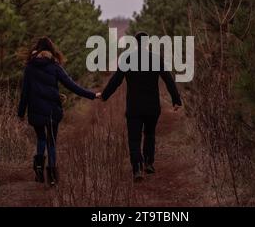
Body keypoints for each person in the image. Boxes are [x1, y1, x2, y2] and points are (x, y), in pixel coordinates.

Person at [18, 36, 101, 186]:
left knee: (41, 139)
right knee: (52, 142)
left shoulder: (30, 67)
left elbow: (25, 92)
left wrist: (20, 113)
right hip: (52, 111)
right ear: (51, 50)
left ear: (37, 49)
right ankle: (52, 177)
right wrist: (92, 95)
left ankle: (38, 169)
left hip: (35, 110)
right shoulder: (54, 66)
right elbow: (72, 85)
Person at [101, 32, 182, 181]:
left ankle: (137, 169)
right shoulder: (156, 59)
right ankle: (149, 163)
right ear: (147, 43)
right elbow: (168, 80)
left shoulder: (128, 59)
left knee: (134, 138)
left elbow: (116, 80)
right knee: (150, 134)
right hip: (152, 107)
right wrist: (176, 100)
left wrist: (104, 95)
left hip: (134, 107)